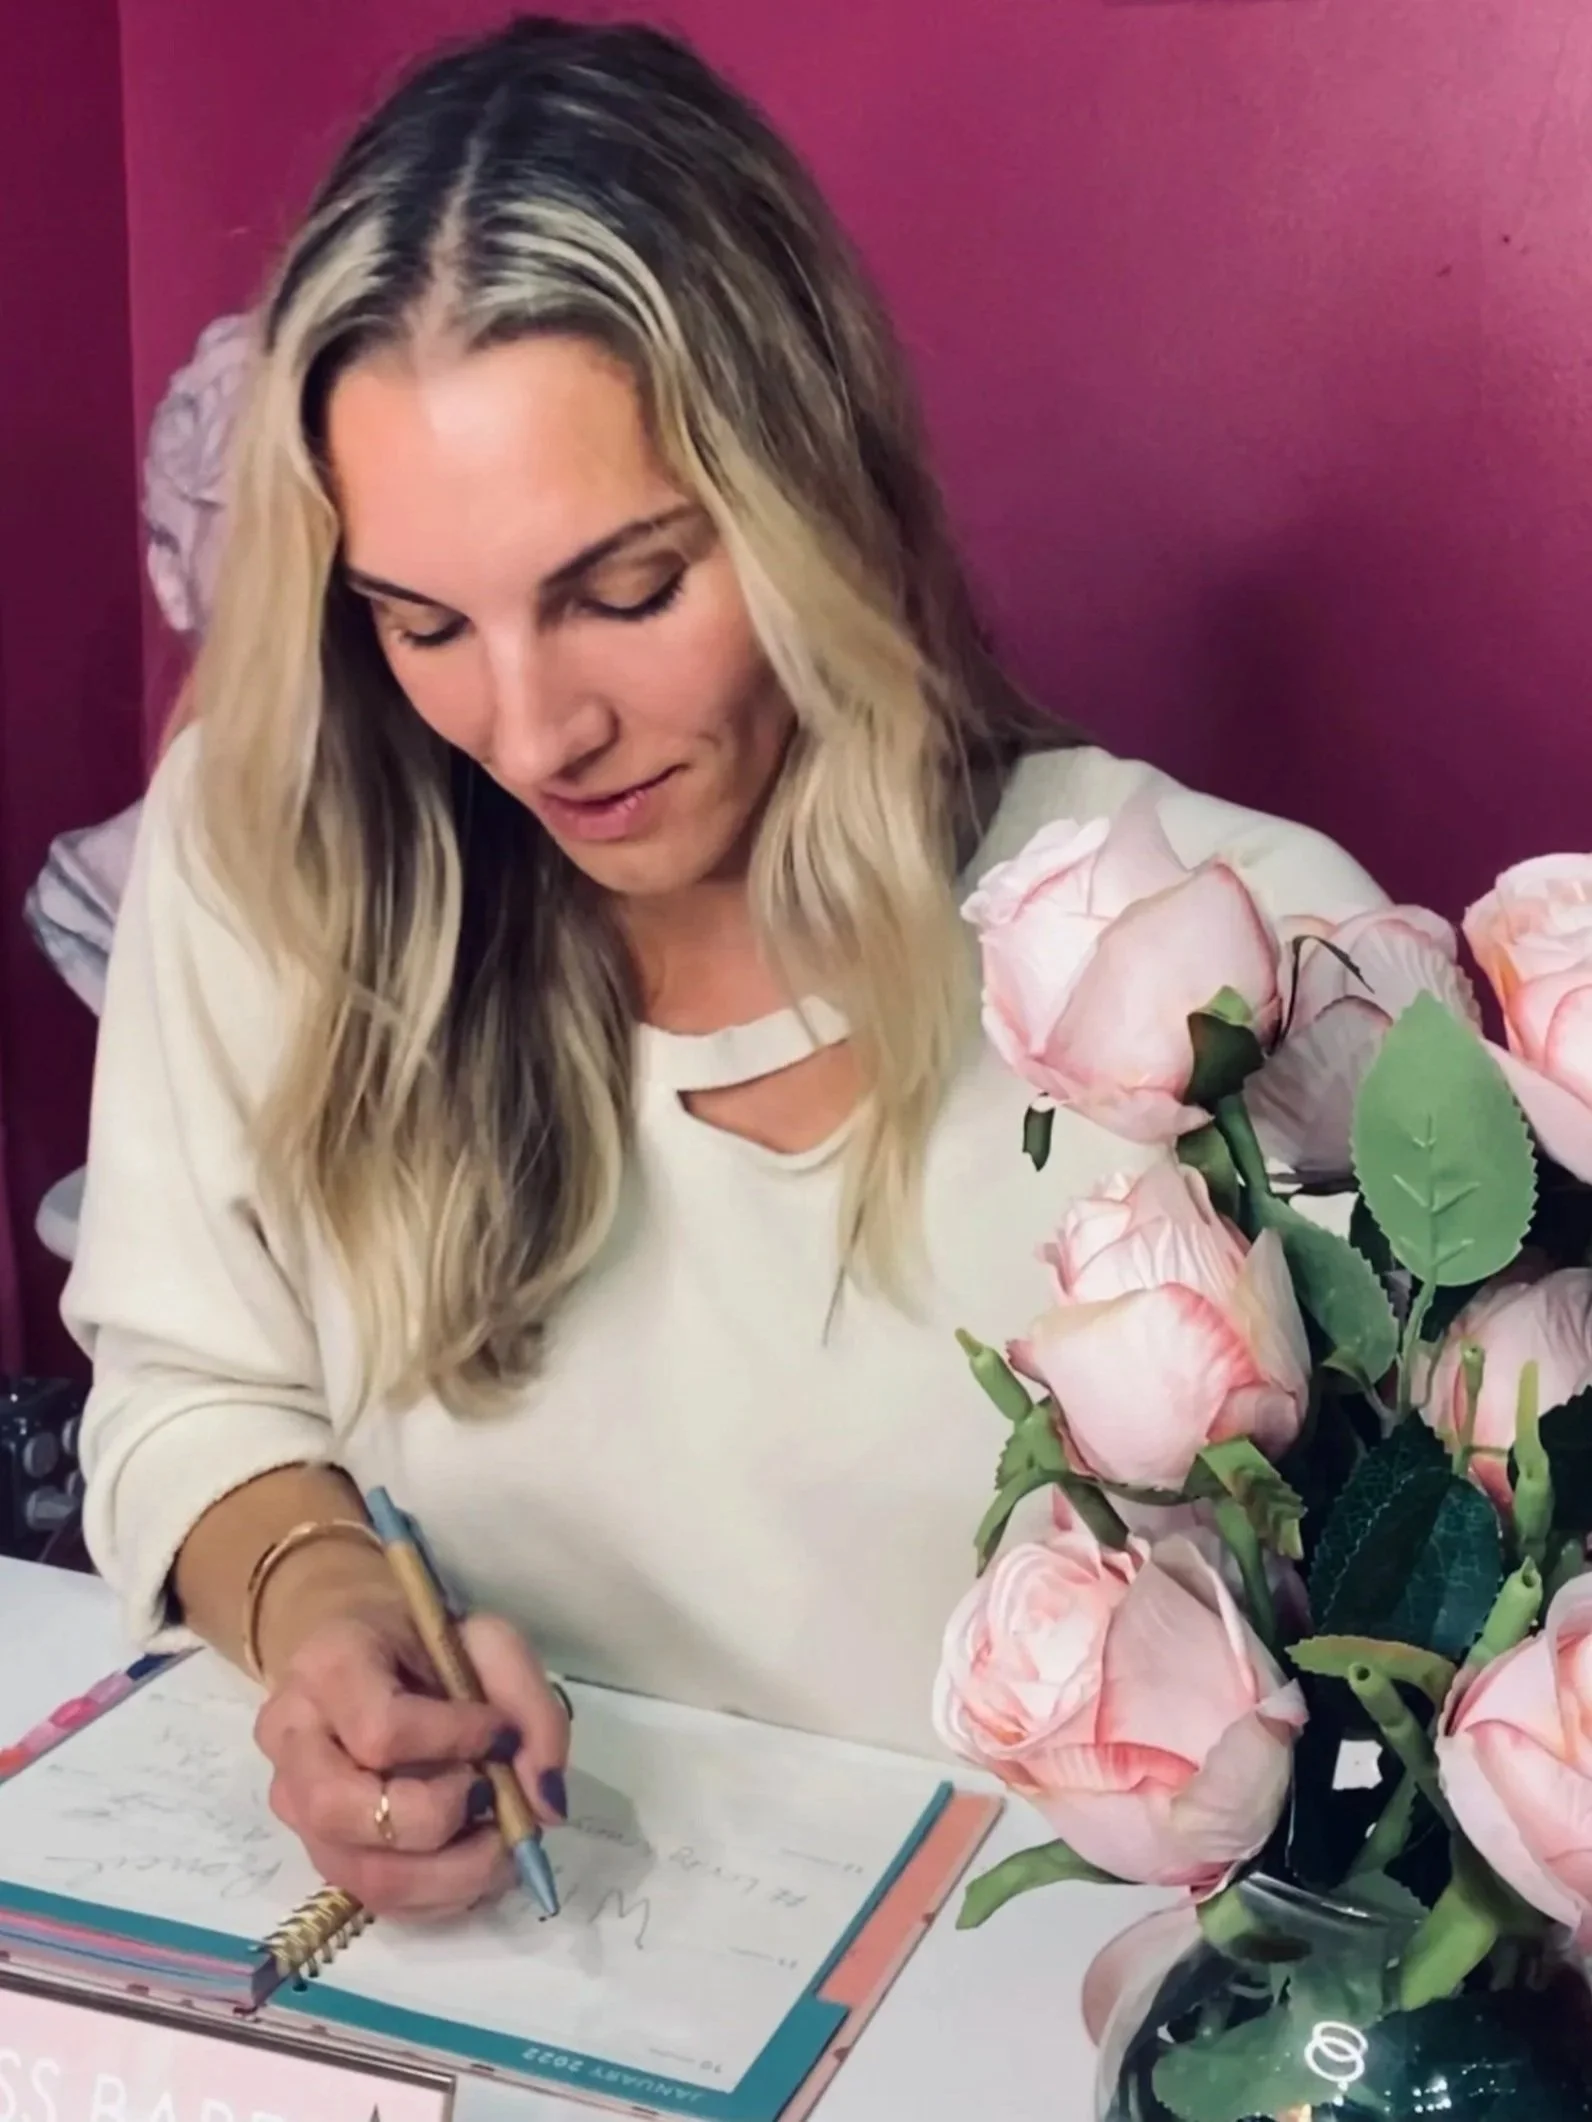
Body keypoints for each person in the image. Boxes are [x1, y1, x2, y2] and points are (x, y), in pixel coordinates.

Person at [65, 15, 1382, 1922]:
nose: (531, 731)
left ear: (811, 491)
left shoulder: (1226, 953)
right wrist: (321, 1602)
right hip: (496, 1997)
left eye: (626, 589)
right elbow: (188, 1378)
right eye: (421, 620)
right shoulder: (282, 842)